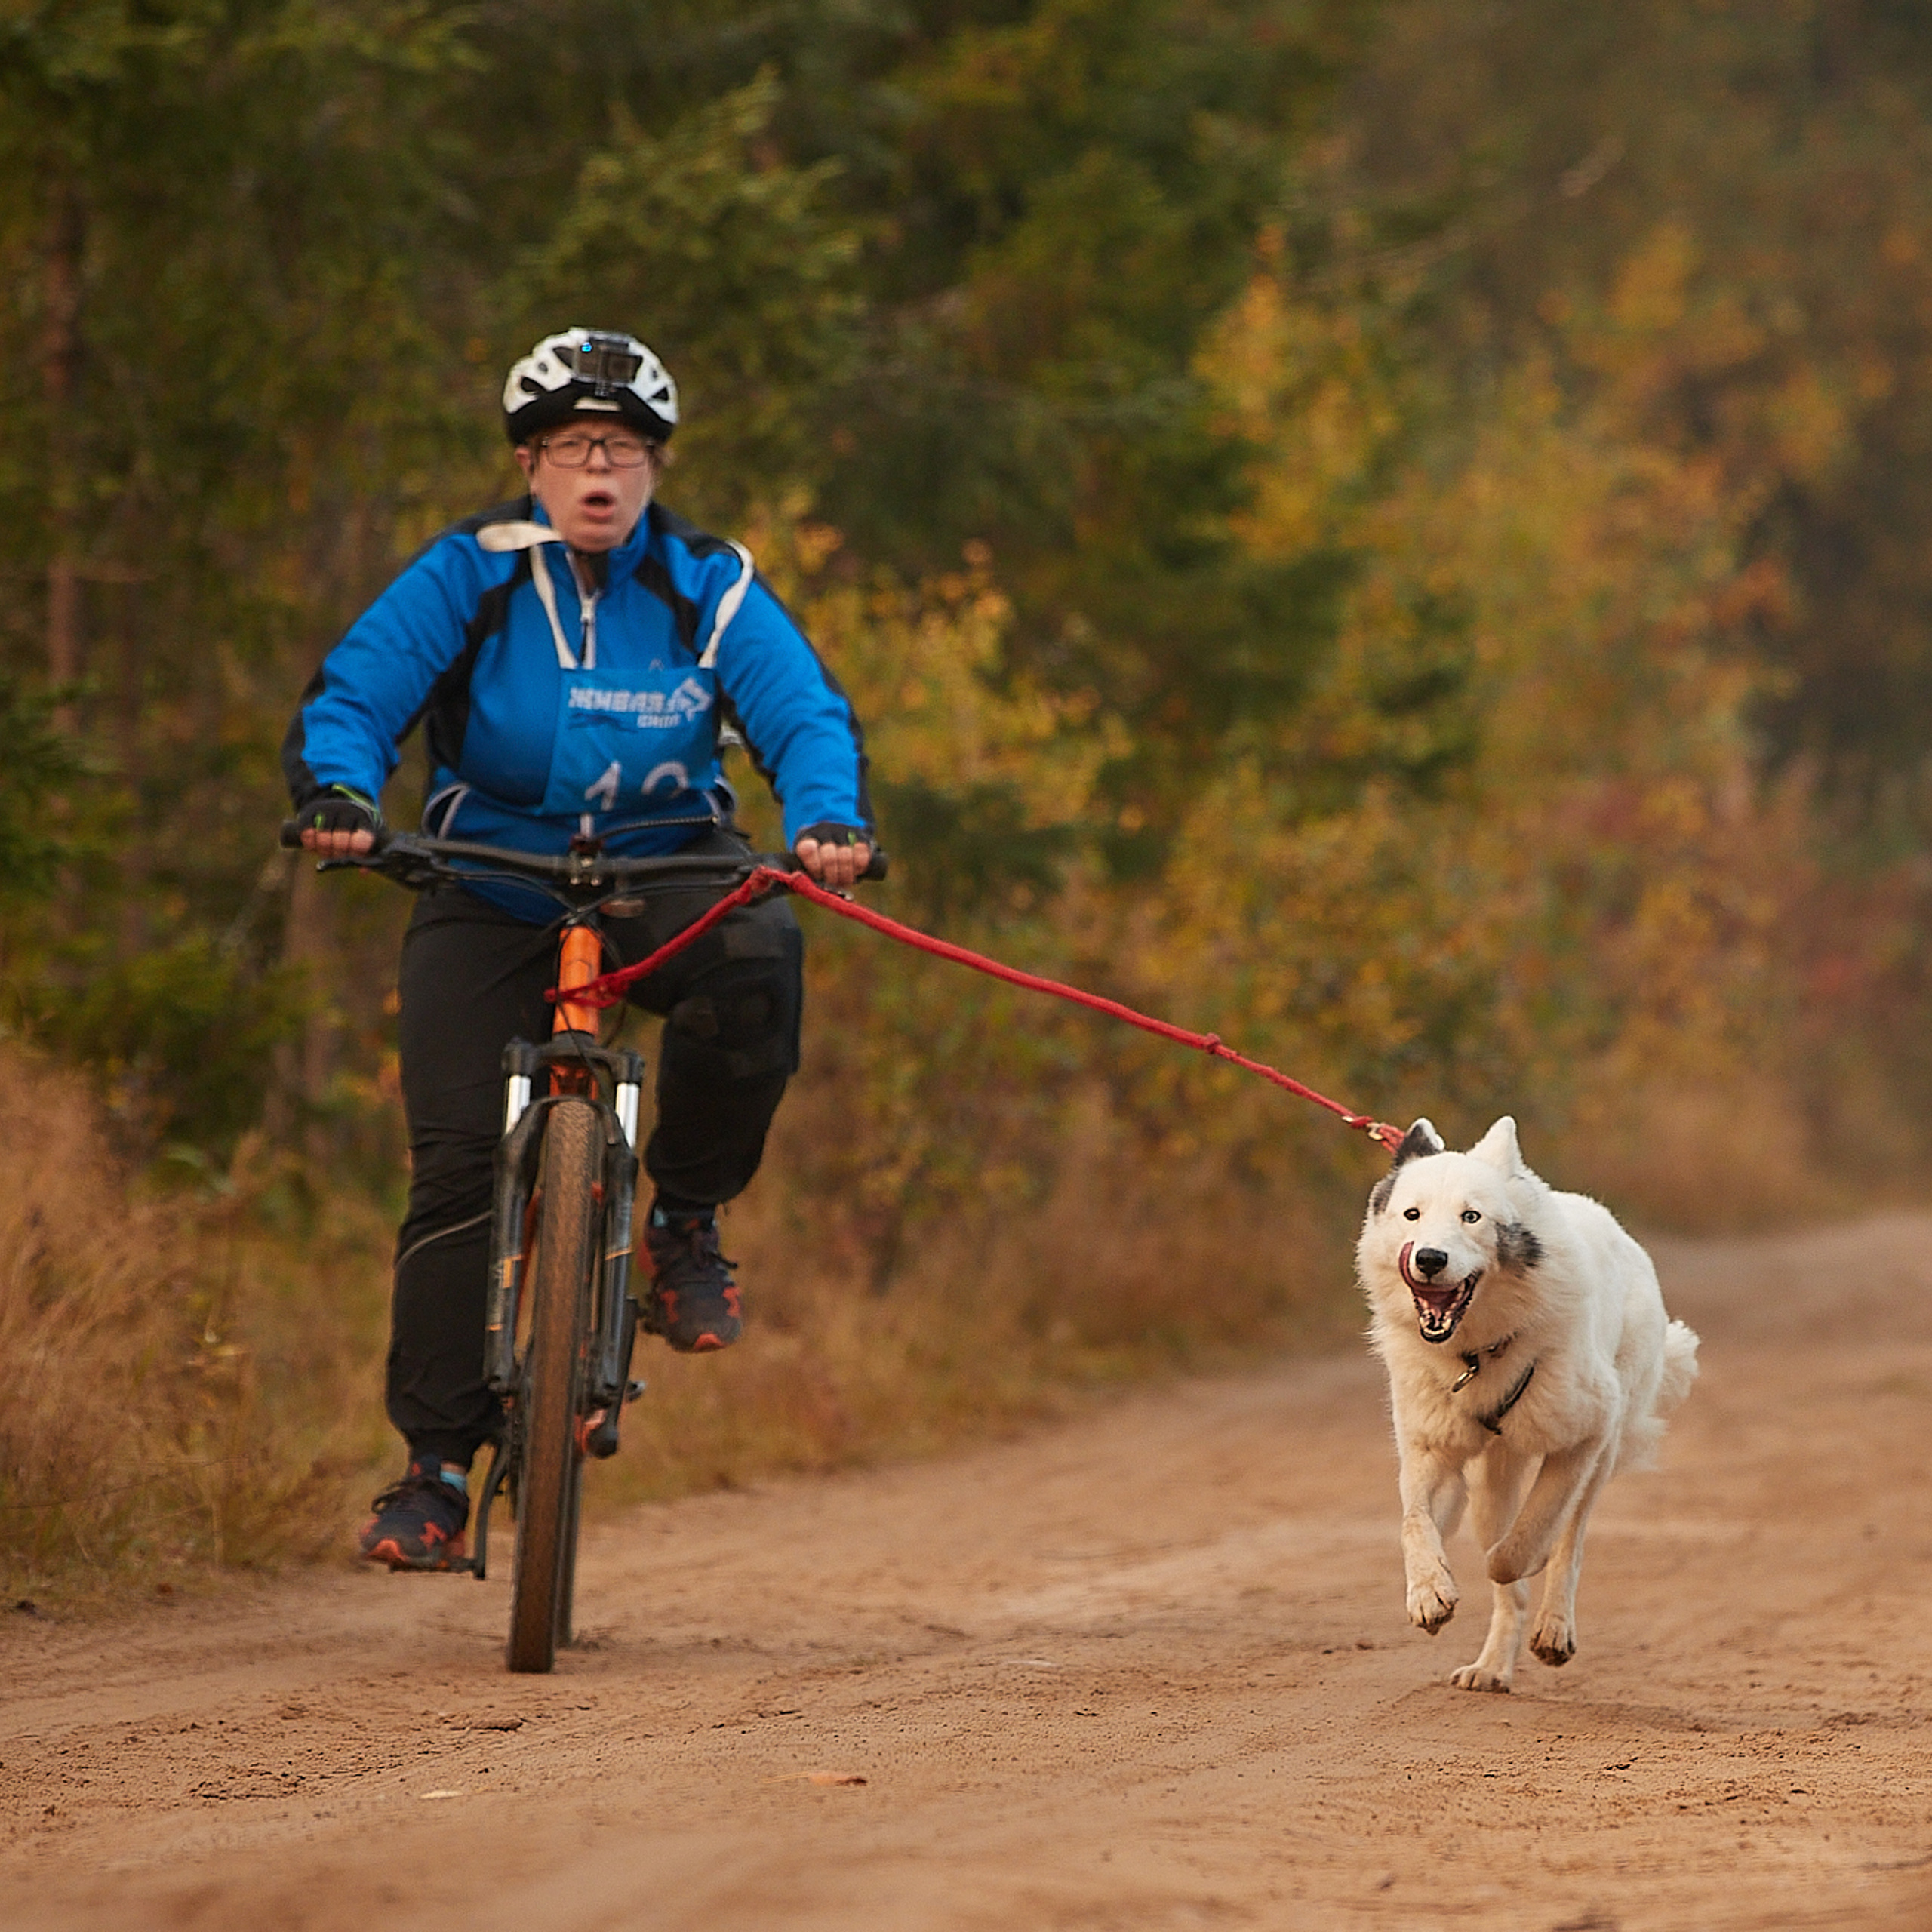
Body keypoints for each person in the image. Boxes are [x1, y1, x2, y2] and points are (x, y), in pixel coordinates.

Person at [283, 329, 874, 1571]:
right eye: (568, 448)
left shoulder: (707, 583)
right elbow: (360, 692)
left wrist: (826, 820)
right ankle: (434, 1473)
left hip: (667, 861)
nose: (595, 471)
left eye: (620, 448)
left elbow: (801, 709)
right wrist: (340, 790)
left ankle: (685, 1228)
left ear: (654, 467)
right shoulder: (467, 575)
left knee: (758, 965)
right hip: (486, 876)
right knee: (451, 1174)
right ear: (529, 462)